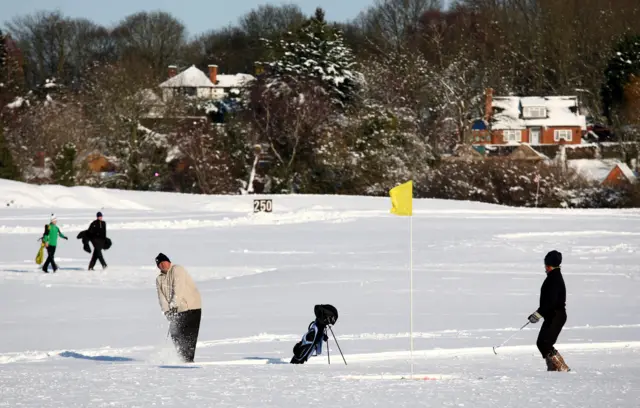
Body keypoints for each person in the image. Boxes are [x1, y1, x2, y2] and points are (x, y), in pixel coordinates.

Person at [155, 253, 202, 363]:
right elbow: (161, 297)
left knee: (189, 335)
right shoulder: (159, 279)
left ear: (169, 262)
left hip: (191, 307)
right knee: (175, 334)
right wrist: (167, 312)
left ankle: (188, 360)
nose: (162, 265)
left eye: (164, 262)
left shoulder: (177, 269)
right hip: (175, 310)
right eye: (159, 264)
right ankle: (182, 358)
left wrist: (173, 305)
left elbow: (178, 288)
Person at [528, 250, 570, 372]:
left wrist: (538, 314)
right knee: (542, 342)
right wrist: (539, 313)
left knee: (545, 342)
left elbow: (550, 301)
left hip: (556, 315)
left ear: (549, 265)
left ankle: (560, 367)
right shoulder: (554, 277)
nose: (545, 268)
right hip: (552, 315)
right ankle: (554, 367)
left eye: (546, 265)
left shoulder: (554, 279)